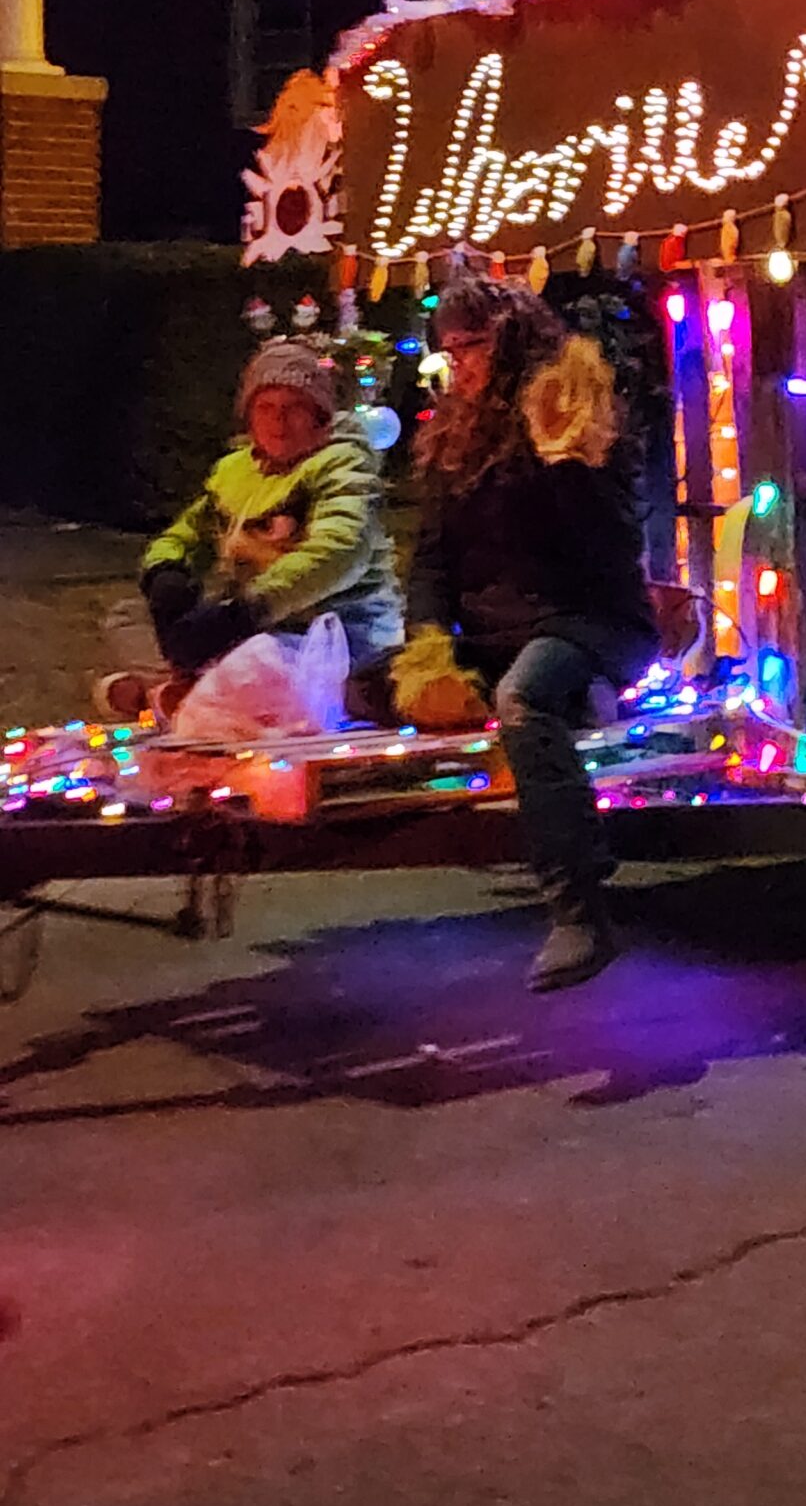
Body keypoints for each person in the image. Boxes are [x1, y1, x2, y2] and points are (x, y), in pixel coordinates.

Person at [405, 274, 657, 992]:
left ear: (510, 338)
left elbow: (606, 551)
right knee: (367, 686)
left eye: (473, 345)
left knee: (522, 699)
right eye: (450, 351)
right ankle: (581, 706)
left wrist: (563, 464)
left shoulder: (574, 407)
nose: (462, 364)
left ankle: (579, 909)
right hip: (494, 628)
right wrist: (426, 643)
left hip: (587, 619)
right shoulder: (454, 432)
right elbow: (431, 556)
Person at [117, 339, 405, 718]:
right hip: (253, 624)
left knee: (260, 662)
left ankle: (182, 694)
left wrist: (249, 610)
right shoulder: (236, 470)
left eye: (293, 409)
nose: (278, 422)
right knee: (125, 617)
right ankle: (190, 681)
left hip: (333, 629)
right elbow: (188, 531)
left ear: (318, 414)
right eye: (266, 408)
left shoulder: (342, 465)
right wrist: (165, 573)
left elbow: (338, 551)